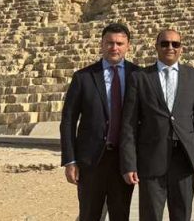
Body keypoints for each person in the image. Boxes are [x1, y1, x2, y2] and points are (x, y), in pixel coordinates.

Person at [119, 29, 194, 221]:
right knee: (150, 216)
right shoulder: (140, 77)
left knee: (182, 215)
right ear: (156, 47)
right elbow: (129, 124)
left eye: (175, 44)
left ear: (181, 48)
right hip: (151, 160)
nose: (170, 47)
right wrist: (129, 163)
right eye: (165, 43)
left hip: (184, 160)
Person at [60, 22, 139, 221]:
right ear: (101, 44)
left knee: (120, 215)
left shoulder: (138, 76)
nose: (114, 47)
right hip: (90, 161)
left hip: (124, 161)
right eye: (110, 43)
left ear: (128, 46)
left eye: (120, 43)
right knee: (89, 215)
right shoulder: (83, 77)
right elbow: (68, 120)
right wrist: (70, 160)